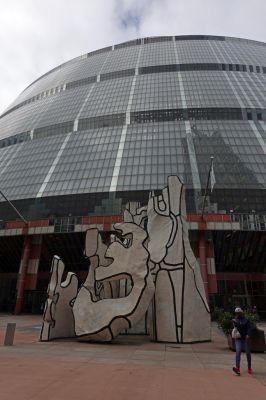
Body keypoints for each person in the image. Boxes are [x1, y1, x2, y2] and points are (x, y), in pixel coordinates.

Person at [232, 307, 253, 375]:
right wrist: (234, 323)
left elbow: (249, 328)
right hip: (238, 339)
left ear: (241, 313)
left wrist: (248, 335)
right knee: (238, 352)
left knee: (248, 353)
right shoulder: (235, 320)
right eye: (236, 313)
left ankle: (249, 367)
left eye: (238, 313)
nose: (237, 314)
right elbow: (235, 328)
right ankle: (237, 368)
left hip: (245, 339)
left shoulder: (246, 320)